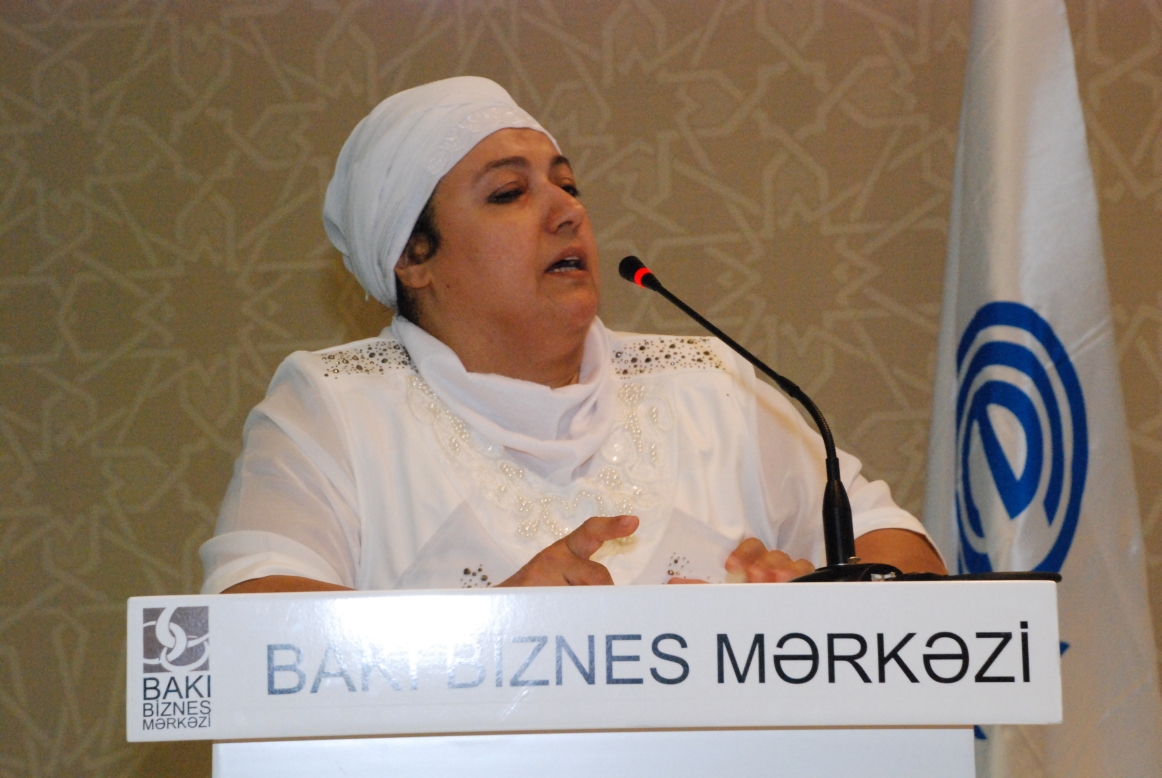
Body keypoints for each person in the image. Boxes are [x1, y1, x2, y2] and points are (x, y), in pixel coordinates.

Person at [199, 77, 945, 596]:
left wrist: (815, 607)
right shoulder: (335, 409)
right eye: (509, 192)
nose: (567, 211)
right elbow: (249, 622)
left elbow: (906, 556)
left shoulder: (705, 383)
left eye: (568, 184)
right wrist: (497, 635)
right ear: (412, 256)